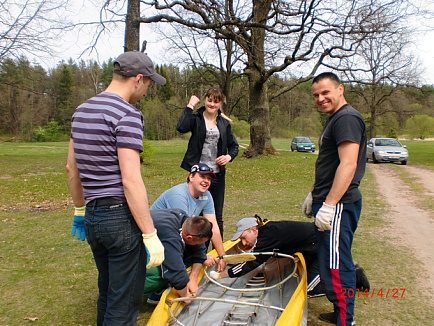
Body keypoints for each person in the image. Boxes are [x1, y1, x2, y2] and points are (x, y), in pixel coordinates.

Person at [66, 51, 166, 325]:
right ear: (137, 79)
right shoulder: (127, 114)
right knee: (123, 305)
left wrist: (79, 209)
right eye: (148, 85)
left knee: (108, 294)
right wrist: (149, 233)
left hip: (93, 218)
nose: (146, 92)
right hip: (120, 219)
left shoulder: (81, 111)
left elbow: (72, 170)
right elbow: (130, 180)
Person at [301, 72, 367, 326]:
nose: (320, 98)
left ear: (340, 89)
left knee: (338, 266)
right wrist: (314, 192)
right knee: (329, 261)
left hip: (338, 204)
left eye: (326, 92)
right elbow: (329, 164)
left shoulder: (347, 118)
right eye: (316, 95)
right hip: (328, 200)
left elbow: (348, 165)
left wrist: (328, 205)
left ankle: (345, 320)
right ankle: (340, 312)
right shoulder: (334, 119)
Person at [210, 216, 370, 299]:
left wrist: (221, 275)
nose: (244, 243)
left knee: (309, 290)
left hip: (325, 247)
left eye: (244, 238)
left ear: (253, 230)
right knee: (310, 282)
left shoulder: (267, 237)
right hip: (314, 247)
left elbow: (251, 263)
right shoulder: (268, 230)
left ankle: (353, 277)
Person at [176, 87, 239, 242]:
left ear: (220, 103)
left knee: (216, 216)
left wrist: (228, 157)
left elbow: (234, 146)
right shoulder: (197, 118)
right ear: (205, 100)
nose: (212, 104)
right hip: (198, 174)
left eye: (216, 102)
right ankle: (195, 253)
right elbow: (181, 127)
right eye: (209, 100)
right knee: (195, 214)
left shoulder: (224, 123)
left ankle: (217, 254)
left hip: (216, 175)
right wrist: (190, 105)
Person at [150, 163, 226, 271]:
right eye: (202, 176)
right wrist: (202, 258)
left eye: (209, 178)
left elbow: (213, 227)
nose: (206, 181)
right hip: (155, 236)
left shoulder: (206, 196)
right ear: (191, 177)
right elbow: (185, 231)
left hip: (175, 234)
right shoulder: (178, 195)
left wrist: (222, 256)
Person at [144, 209, 212, 305]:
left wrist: (192, 279)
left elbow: (199, 252)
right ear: (189, 238)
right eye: (199, 242)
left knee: (184, 261)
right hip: (126, 247)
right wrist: (185, 295)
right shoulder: (170, 236)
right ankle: (122, 297)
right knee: (159, 274)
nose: (200, 245)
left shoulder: (186, 221)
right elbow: (175, 272)